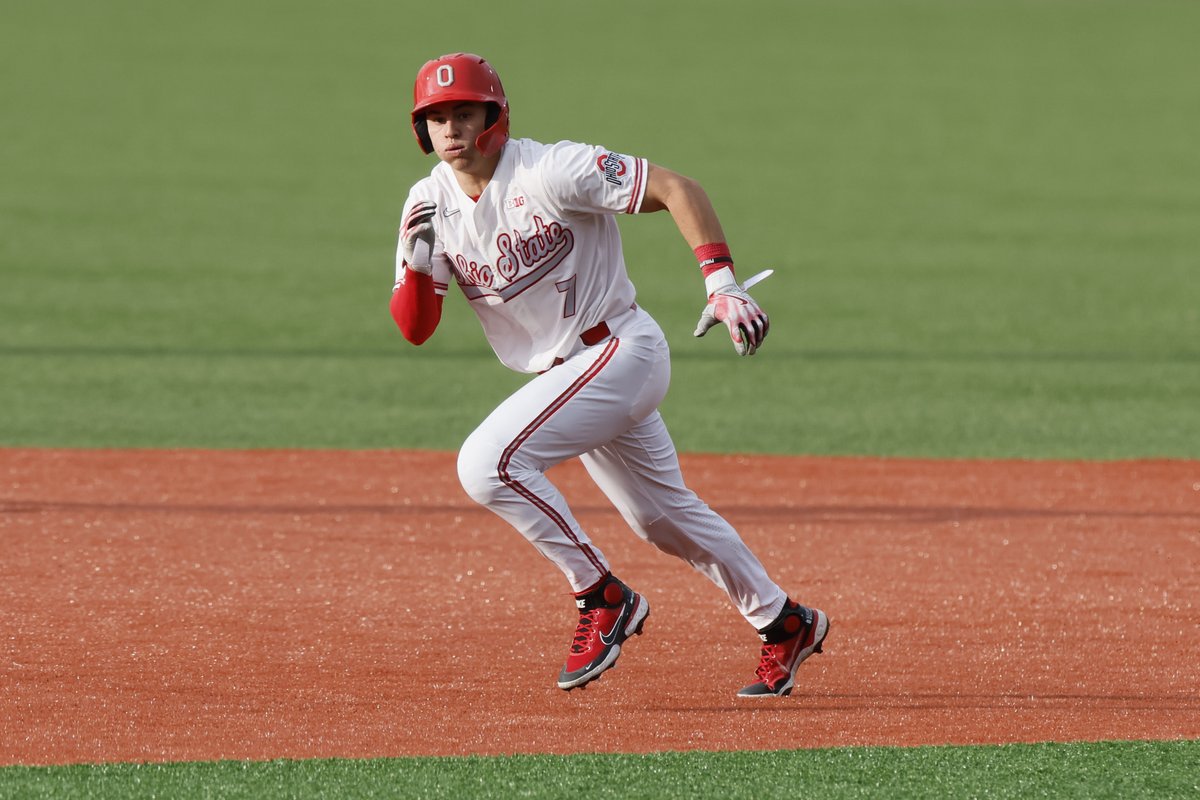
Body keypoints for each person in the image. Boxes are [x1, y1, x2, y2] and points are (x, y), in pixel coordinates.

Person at [390, 53, 828, 697]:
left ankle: (601, 594)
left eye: (464, 112)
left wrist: (721, 281)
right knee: (662, 519)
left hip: (622, 351)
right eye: (437, 117)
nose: (450, 128)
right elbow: (416, 327)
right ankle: (785, 621)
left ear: (494, 116)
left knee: (486, 464)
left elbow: (678, 188)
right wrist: (417, 262)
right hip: (572, 378)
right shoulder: (427, 204)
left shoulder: (550, 168)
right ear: (420, 129)